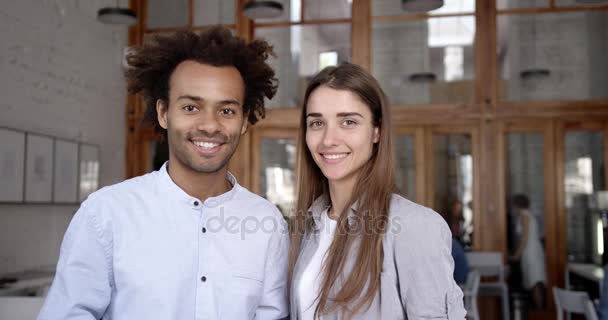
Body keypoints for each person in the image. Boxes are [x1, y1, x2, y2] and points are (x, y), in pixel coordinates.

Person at [38, 27, 289, 319]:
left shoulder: (267, 222)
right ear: (163, 113)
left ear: (244, 120)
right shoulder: (105, 214)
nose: (210, 125)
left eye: (227, 111)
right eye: (191, 107)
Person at [288, 63, 466, 319]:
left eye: (348, 122)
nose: (328, 139)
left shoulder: (414, 226)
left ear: (376, 132)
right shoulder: (307, 227)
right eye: (316, 123)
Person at [510, 194, 547, 310]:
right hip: (532, 251)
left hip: (531, 252)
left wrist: (516, 255)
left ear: (517, 205)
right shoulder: (527, 215)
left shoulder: (524, 216)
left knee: (534, 282)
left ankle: (539, 311)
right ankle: (538, 310)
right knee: (534, 282)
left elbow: (525, 238)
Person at [446, 201, 469, 285]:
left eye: (459, 208)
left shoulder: (453, 246)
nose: (457, 210)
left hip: (458, 283)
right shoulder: (447, 220)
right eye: (456, 208)